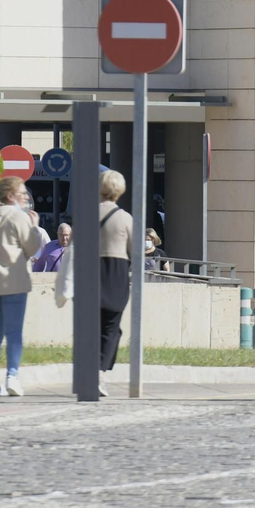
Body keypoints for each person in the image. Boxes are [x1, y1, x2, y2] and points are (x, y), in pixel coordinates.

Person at [0, 176, 44, 397]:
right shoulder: (19, 216)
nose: (25, 197)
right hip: (14, 282)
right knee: (14, 332)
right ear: (11, 196)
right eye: (22, 193)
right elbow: (33, 248)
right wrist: (34, 226)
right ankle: (12, 377)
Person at [96, 169, 135, 397]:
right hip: (115, 273)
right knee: (111, 327)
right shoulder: (124, 218)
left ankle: (89, 368)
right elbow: (135, 250)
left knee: (91, 324)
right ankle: (99, 373)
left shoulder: (86, 213)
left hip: (90, 272)